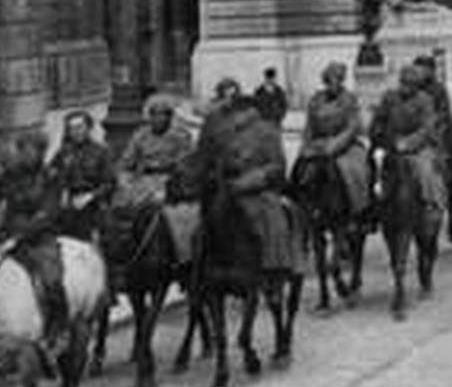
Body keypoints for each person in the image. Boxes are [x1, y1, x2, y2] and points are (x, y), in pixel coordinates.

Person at [0, 130, 68, 357]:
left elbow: (48, 214)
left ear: (41, 152)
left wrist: (19, 237)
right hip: (7, 238)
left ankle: (58, 329)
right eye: (22, 149)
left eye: (30, 150)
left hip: (40, 239)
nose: (25, 154)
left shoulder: (51, 177)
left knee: (52, 281)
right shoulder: (9, 175)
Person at [193, 77, 294, 271]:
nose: (237, 115)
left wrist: (249, 181)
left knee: (271, 221)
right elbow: (210, 155)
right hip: (226, 187)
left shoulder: (267, 131)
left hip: (258, 191)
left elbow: (276, 166)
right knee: (203, 222)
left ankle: (272, 268)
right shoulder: (222, 129)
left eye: (241, 109)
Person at [110, 94, 197, 265]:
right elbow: (126, 162)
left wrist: (171, 183)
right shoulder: (140, 135)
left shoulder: (180, 136)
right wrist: (124, 180)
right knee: (120, 209)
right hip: (144, 179)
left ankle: (180, 255)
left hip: (171, 180)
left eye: (163, 115)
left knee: (171, 214)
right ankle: (124, 251)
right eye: (154, 115)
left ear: (169, 117)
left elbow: (186, 164)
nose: (158, 119)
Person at [372, 63, 445, 220]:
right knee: (374, 165)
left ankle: (431, 204)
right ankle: (369, 207)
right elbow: (380, 119)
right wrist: (381, 135)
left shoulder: (425, 100)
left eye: (410, 84)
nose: (406, 87)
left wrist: (408, 143)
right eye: (404, 82)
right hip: (392, 143)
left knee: (426, 169)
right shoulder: (389, 97)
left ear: (416, 85)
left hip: (418, 147)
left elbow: (427, 128)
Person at [298, 61, 370, 215]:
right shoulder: (316, 100)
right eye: (330, 80)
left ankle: (355, 208)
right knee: (300, 169)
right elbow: (309, 127)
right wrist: (306, 147)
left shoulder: (349, 99)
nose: (333, 84)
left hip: (346, 146)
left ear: (341, 80)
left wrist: (335, 145)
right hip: (319, 144)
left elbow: (352, 127)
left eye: (337, 79)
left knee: (352, 171)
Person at [48, 110, 116, 242]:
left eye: (79, 127)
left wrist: (89, 197)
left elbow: (110, 183)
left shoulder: (101, 152)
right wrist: (61, 190)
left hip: (93, 203)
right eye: (71, 128)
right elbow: (51, 172)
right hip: (67, 202)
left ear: (88, 128)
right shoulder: (64, 152)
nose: (76, 132)